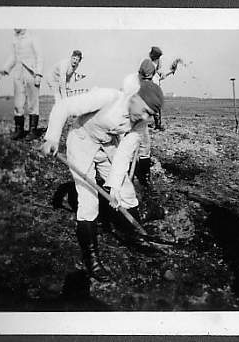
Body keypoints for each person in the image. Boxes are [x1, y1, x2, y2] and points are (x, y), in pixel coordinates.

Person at [41, 73, 164, 281]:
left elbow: (124, 153)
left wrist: (114, 187)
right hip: (82, 141)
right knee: (89, 200)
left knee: (125, 190)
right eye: (144, 110)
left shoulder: (140, 123)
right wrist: (52, 137)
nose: (144, 118)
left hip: (107, 146)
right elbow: (64, 107)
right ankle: (91, 258)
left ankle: (136, 236)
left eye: (149, 115)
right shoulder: (108, 97)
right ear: (134, 97)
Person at [135, 47, 178, 189]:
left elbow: (162, 76)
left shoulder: (150, 69)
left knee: (140, 144)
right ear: (157, 58)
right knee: (141, 144)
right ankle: (142, 176)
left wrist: (172, 71)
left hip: (142, 109)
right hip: (139, 110)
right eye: (159, 59)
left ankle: (140, 174)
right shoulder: (149, 69)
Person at [0, 29, 44, 141]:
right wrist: (5, 69)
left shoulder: (32, 36)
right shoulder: (14, 39)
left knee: (33, 103)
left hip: (31, 72)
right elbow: (13, 57)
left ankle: (33, 131)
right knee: (18, 103)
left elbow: (40, 56)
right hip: (18, 72)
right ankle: (19, 130)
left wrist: (39, 74)